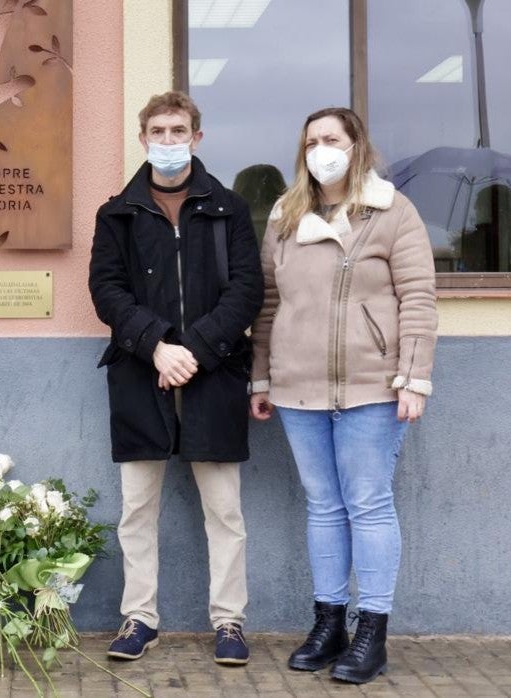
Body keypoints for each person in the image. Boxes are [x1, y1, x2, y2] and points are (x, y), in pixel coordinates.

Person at [249, 107, 437, 685]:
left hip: (372, 387)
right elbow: (268, 304)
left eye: (331, 139)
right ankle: (328, 624)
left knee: (369, 504)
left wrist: (413, 377)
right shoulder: (285, 216)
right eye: (311, 142)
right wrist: (261, 377)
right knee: (324, 506)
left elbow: (418, 298)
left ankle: (371, 633)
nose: (320, 151)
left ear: (357, 146)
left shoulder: (392, 211)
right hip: (298, 386)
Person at [89, 91, 264, 666]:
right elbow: (106, 291)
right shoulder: (117, 212)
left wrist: (194, 352)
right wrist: (158, 348)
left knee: (225, 510)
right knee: (137, 509)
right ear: (143, 138)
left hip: (214, 375)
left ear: (197, 137)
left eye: (179, 131)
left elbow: (247, 290)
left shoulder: (229, 208)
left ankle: (230, 621)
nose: (168, 141)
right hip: (143, 374)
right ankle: (140, 619)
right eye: (159, 132)